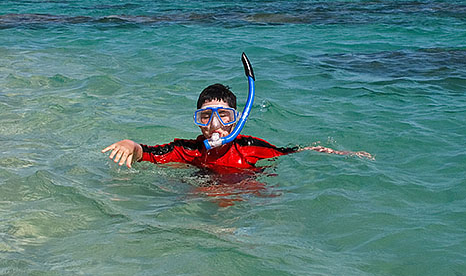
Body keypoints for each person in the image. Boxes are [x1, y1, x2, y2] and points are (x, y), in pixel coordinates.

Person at [103, 83, 372, 173]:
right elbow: (149, 153)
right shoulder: (188, 150)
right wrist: (131, 145)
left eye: (223, 115)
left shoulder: (251, 148)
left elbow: (293, 153)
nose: (215, 125)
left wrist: (340, 154)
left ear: (236, 119)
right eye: (205, 117)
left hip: (245, 190)